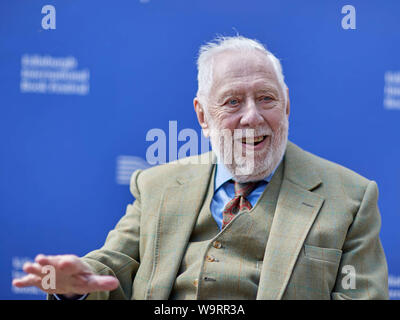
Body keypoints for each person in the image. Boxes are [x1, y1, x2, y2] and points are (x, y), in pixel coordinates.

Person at [12, 36, 388, 300]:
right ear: (203, 116)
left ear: (287, 106)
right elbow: (114, 265)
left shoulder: (350, 198)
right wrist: (76, 282)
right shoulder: (157, 185)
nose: (252, 117)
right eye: (233, 102)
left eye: (266, 98)